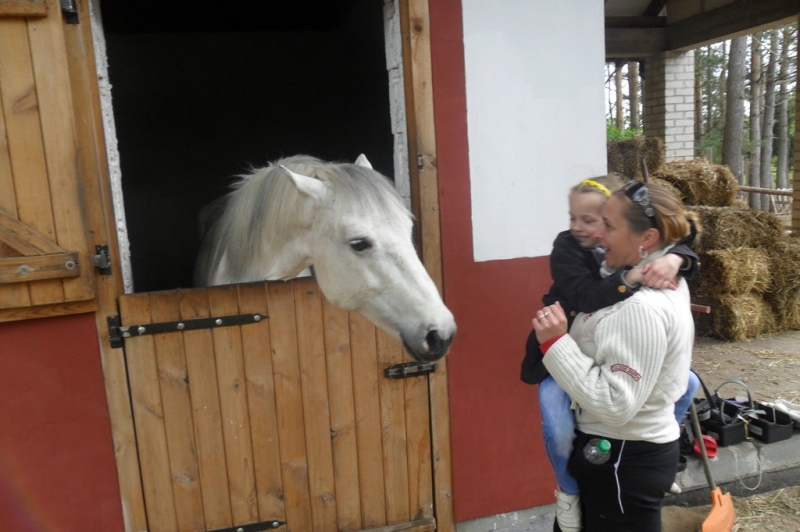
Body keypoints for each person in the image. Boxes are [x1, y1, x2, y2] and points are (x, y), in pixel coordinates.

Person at [521, 176, 699, 532]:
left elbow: (616, 404)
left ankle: (568, 492)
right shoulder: (653, 275)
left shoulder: (640, 307)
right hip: (630, 455)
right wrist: (676, 257)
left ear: (648, 240)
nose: (596, 235)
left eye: (607, 224)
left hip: (624, 457)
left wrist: (556, 343)